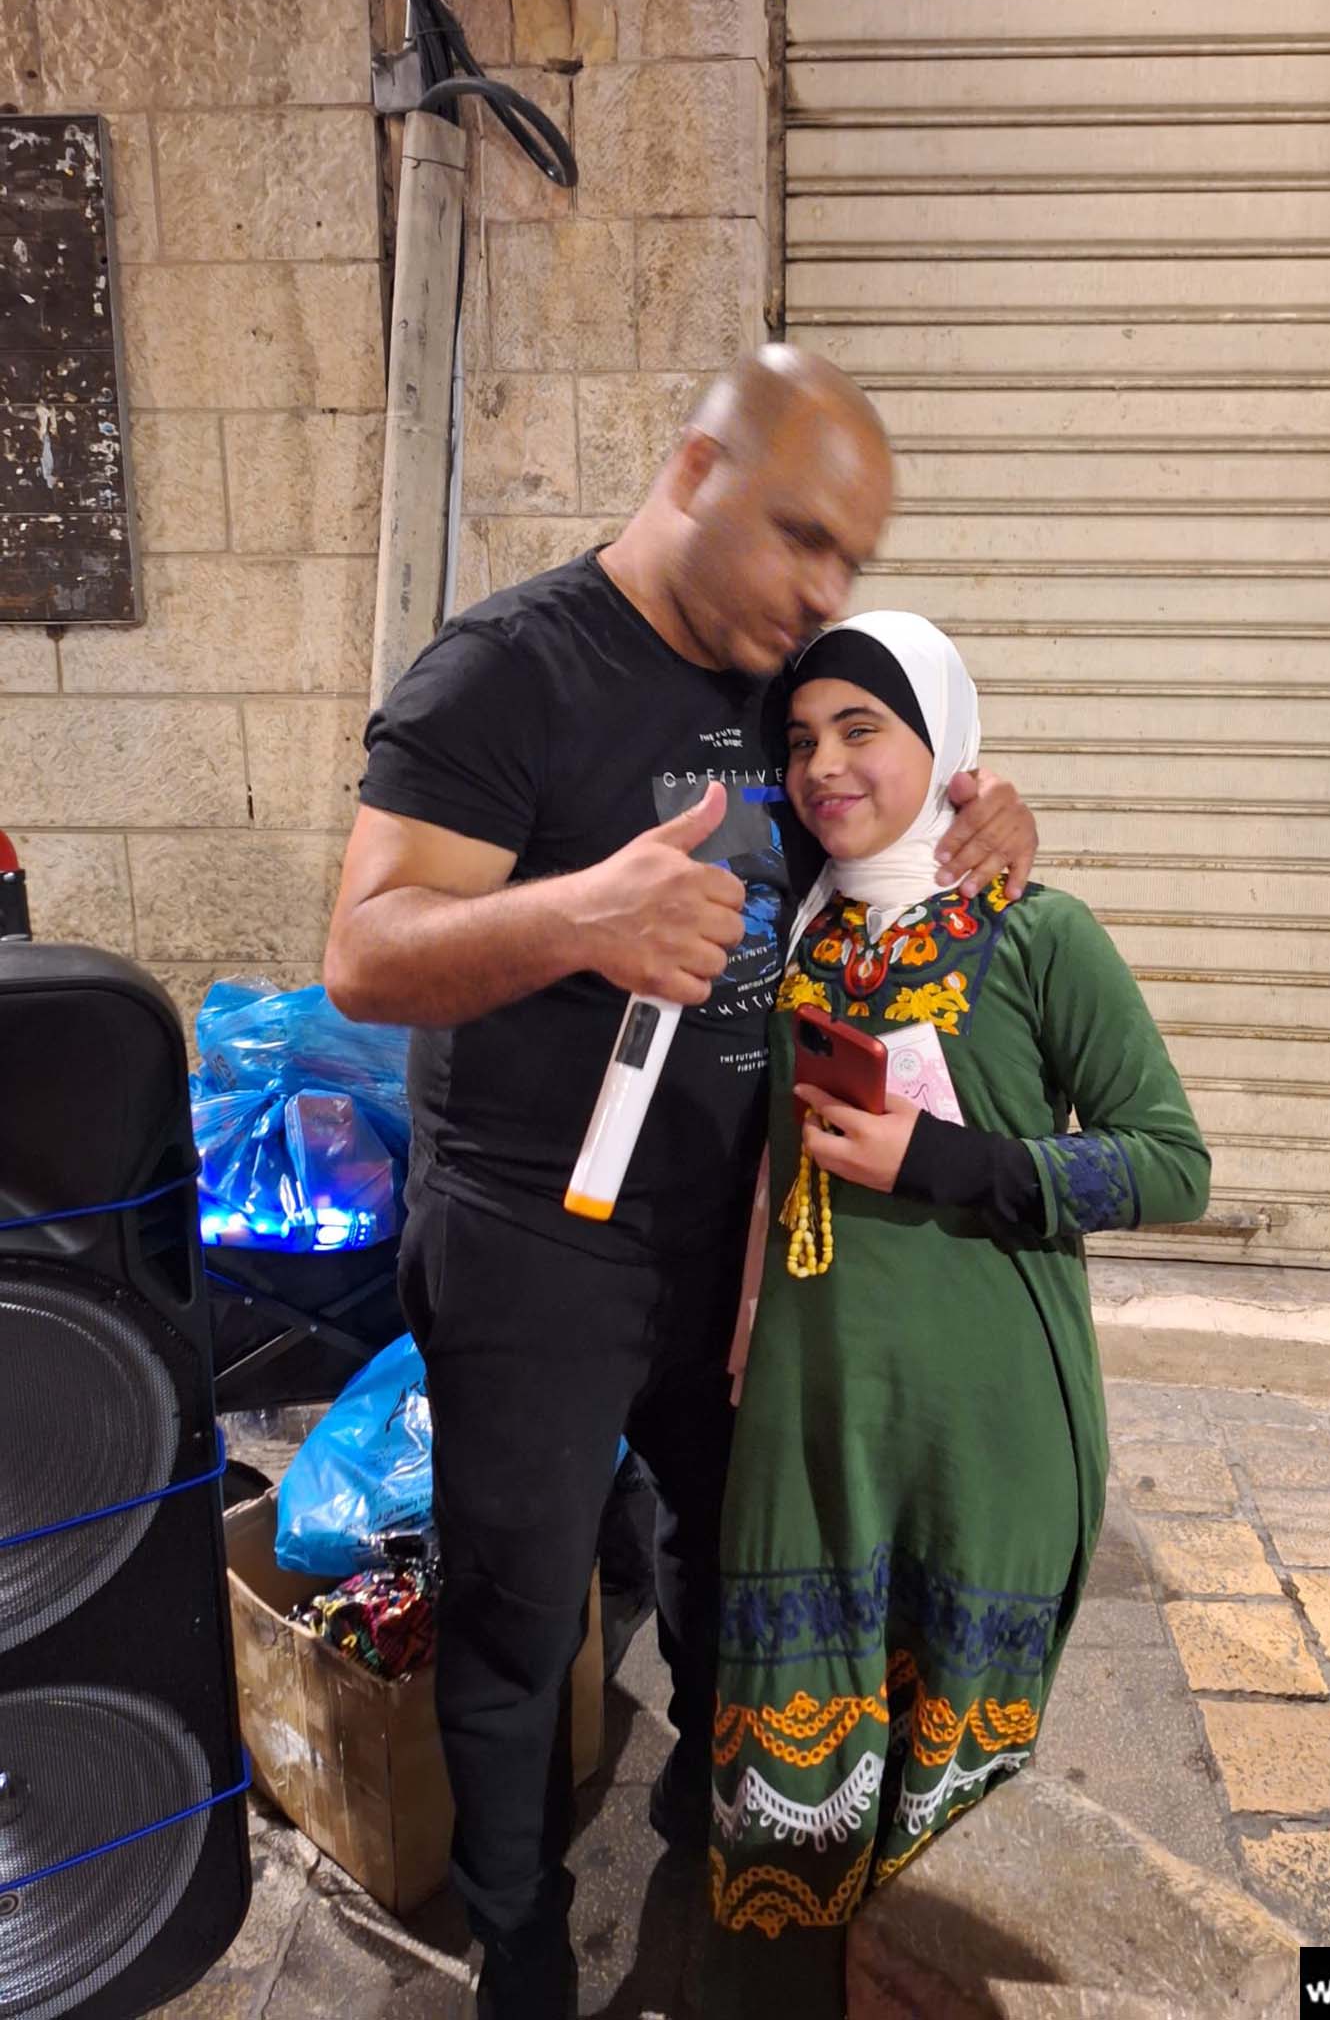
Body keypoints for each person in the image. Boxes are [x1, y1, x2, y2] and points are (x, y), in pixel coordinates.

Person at [322, 349, 1036, 2019]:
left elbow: (884, 818)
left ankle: (708, 1838)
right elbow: (364, 952)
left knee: (733, 1566)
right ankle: (517, 1940)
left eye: (853, 558)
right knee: (519, 1616)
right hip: (533, 1251)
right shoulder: (505, 672)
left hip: (731, 1244)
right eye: (804, 537)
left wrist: (993, 822)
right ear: (698, 473)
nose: (827, 590)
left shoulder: (783, 683)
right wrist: (582, 918)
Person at [708, 612, 1210, 2015]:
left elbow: (1173, 1165)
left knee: (952, 1826)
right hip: (811, 1422)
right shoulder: (794, 929)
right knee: (791, 1781)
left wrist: (944, 1161)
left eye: (862, 729)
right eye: (801, 740)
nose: (824, 765)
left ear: (944, 744)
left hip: (986, 1432)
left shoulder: (1040, 933)